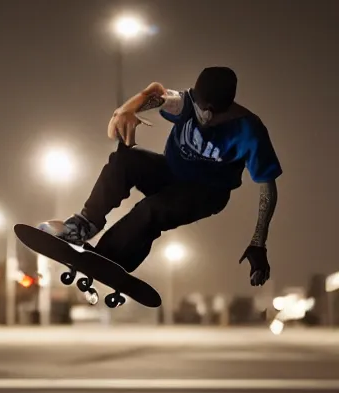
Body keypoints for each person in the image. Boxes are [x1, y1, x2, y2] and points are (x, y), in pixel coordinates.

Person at [38, 67, 281, 287]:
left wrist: (259, 242)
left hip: (206, 193)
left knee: (152, 210)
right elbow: (158, 99)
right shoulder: (186, 103)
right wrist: (126, 110)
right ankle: (83, 225)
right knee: (125, 160)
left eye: (211, 114)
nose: (204, 118)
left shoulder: (251, 131)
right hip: (170, 172)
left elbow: (268, 189)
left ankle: (109, 257)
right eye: (199, 109)